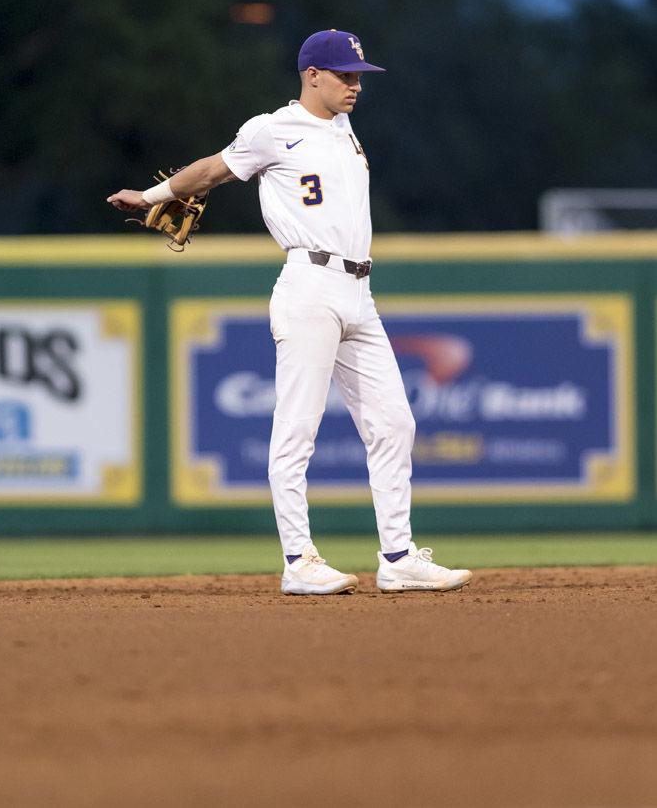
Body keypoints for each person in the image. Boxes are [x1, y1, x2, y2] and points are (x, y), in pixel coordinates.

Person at [108, 29, 472, 596]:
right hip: (309, 286)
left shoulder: (345, 129)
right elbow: (212, 170)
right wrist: (150, 198)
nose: (355, 85)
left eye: (358, 76)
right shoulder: (270, 129)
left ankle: (398, 557)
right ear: (312, 76)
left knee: (394, 422)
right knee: (297, 430)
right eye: (344, 76)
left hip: (359, 291)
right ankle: (298, 560)